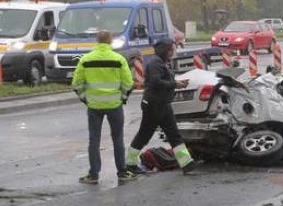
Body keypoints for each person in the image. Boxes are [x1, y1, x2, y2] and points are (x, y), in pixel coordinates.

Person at [71, 30, 137, 184]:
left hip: (94, 106)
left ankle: (93, 174)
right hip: (115, 105)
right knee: (118, 139)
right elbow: (128, 83)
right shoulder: (119, 59)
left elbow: (76, 84)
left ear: (97, 41)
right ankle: (122, 172)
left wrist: (85, 99)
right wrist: (123, 98)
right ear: (110, 41)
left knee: (94, 140)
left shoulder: (86, 60)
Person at [125, 38, 196, 174]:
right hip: (154, 105)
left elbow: (164, 80)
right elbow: (156, 82)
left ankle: (187, 163)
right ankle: (130, 163)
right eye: (170, 50)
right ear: (164, 50)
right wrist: (175, 84)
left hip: (162, 104)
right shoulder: (155, 64)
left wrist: (176, 82)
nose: (172, 53)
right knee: (144, 135)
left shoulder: (162, 63)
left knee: (173, 134)